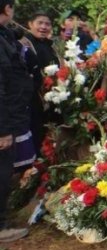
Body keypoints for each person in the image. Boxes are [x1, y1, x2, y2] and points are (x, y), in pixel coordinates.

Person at [0, 0, 33, 243]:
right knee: (2, 171)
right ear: (8, 8)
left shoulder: (5, 36)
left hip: (11, 114)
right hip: (4, 119)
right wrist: (3, 129)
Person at [25, 11, 60, 152]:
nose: (44, 27)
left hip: (53, 96)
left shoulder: (52, 46)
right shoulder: (24, 45)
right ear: (30, 24)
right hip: (32, 98)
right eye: (40, 23)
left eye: (47, 24)